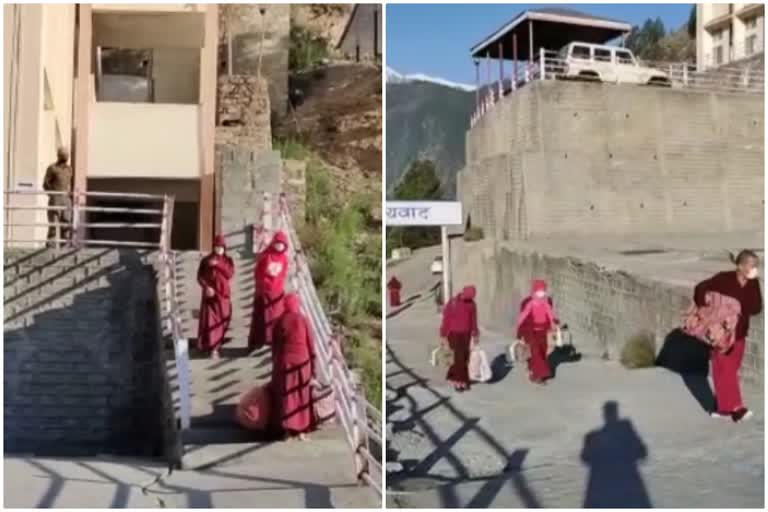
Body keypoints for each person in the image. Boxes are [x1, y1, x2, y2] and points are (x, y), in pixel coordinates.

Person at [693, 250, 762, 422]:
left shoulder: (753, 284)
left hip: (739, 332)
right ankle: (736, 408)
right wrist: (707, 308)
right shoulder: (723, 279)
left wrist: (739, 307)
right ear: (740, 266)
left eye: (756, 266)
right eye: (751, 265)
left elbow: (757, 307)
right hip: (720, 333)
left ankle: (721, 408)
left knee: (728, 369)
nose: (754, 269)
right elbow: (701, 288)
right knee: (726, 369)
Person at [270, 293, 316, 440]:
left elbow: (275, 347)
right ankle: (302, 430)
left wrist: (275, 366)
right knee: (302, 395)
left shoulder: (279, 321)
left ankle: (287, 431)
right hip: (303, 362)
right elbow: (311, 345)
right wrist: (314, 368)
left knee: (287, 396)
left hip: (285, 362)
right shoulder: (303, 320)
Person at [248, 231, 289, 351]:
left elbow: (283, 275)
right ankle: (257, 342)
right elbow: (258, 273)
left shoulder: (284, 259)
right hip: (264, 292)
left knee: (275, 318)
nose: (279, 246)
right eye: (277, 243)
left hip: (276, 293)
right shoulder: (265, 256)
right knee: (260, 317)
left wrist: (278, 287)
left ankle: (273, 341)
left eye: (282, 244)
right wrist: (263, 286)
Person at [196, 235, 235, 359]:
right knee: (210, 322)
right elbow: (200, 276)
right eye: (217, 247)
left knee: (225, 319)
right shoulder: (206, 260)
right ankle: (214, 349)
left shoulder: (228, 260)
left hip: (223, 296)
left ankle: (216, 344)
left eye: (221, 247)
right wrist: (206, 287)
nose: (219, 250)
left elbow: (230, 274)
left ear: (225, 248)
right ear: (213, 247)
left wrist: (218, 264)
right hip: (210, 296)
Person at [516, 279, 558, 385]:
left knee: (542, 351)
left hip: (543, 331)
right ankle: (539, 375)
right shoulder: (529, 303)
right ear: (534, 291)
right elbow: (523, 315)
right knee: (536, 352)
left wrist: (554, 323)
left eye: (543, 291)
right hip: (531, 331)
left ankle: (533, 371)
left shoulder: (547, 302)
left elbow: (550, 314)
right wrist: (518, 328)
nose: (541, 293)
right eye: (539, 291)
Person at [440, 285, 479, 392]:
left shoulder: (472, 304)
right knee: (459, 357)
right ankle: (460, 381)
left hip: (466, 334)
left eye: (471, 298)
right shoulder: (453, 303)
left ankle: (454, 375)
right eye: (469, 297)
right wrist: (443, 334)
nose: (469, 299)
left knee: (465, 357)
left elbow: (473, 320)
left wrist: (475, 334)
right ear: (464, 293)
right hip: (454, 334)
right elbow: (446, 319)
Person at [43, 147, 73, 245]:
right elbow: (46, 184)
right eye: (64, 154)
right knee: (54, 224)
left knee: (66, 223)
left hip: (66, 198)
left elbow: (69, 183)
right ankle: (50, 247)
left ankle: (65, 246)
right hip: (55, 198)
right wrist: (52, 195)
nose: (66, 156)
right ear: (59, 155)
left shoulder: (69, 169)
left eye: (67, 155)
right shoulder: (52, 168)